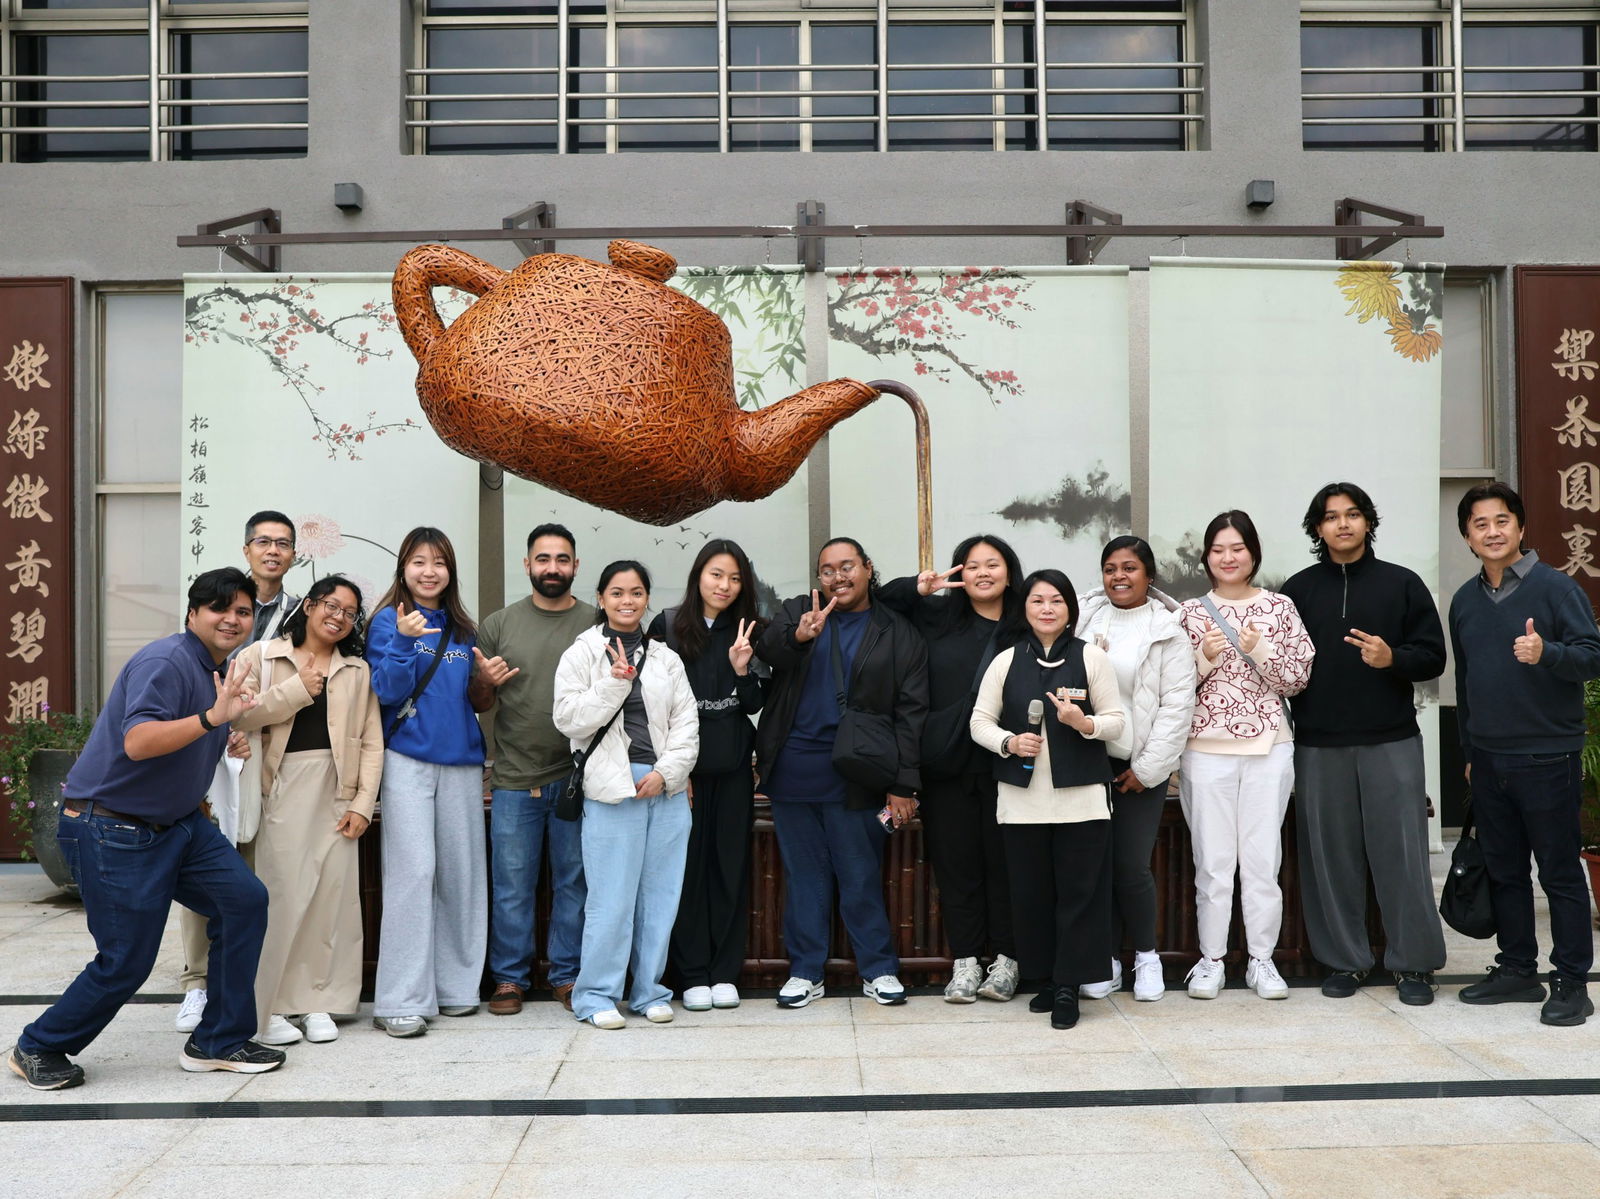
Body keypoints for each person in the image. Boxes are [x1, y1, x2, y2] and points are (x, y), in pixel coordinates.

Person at [8, 568, 284, 1089]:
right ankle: (38, 1046)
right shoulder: (168, 661)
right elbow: (138, 742)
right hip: (113, 828)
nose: (232, 619)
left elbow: (183, 746)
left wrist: (217, 742)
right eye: (219, 608)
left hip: (178, 824)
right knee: (126, 961)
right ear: (192, 614)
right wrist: (211, 720)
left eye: (243, 612)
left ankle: (218, 1041)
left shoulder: (216, 670)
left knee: (243, 899)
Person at [1281, 483, 1447, 1007]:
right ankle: (1345, 961)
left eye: (1353, 515)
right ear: (1317, 529)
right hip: (1317, 744)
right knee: (1330, 858)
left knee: (1402, 855)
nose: (1343, 524)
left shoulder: (1402, 584)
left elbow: (1433, 657)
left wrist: (1391, 657)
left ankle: (1413, 963)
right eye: (1331, 517)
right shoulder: (1297, 591)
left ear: (1369, 522)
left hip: (1390, 740)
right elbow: (1282, 666)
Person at [755, 537, 929, 1010]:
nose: (838, 577)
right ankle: (805, 971)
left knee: (859, 874)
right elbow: (767, 648)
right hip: (794, 769)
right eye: (827, 570)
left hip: (859, 771)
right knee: (804, 875)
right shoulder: (799, 610)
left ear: (869, 569)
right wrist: (799, 636)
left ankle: (878, 969)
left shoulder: (896, 629)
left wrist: (903, 783)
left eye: (847, 566)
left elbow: (912, 712)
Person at [1450, 481, 1600, 1026]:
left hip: (1547, 756)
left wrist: (1548, 652)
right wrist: (1468, 750)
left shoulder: (1557, 590)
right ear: (1467, 536)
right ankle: (1517, 969)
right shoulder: (1465, 600)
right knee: (1505, 870)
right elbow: (1466, 683)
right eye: (1480, 524)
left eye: (1501, 521)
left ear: (1521, 527)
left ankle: (1571, 981)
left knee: (1558, 873)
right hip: (1488, 759)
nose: (1492, 531)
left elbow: (1592, 656)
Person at [969, 568, 1125, 1030]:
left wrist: (1084, 723)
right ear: (1025, 609)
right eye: (1037, 601)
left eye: (1056, 601)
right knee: (1033, 895)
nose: (1047, 609)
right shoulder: (1006, 660)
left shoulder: (1092, 658)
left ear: (1070, 610)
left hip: (1082, 802)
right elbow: (979, 722)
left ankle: (1068, 988)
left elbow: (1118, 721)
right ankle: (1047, 978)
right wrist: (1009, 744)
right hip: (1022, 804)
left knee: (1080, 895)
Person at [233, 576, 383, 1046]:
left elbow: (373, 741)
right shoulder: (263, 655)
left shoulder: (357, 670)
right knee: (282, 897)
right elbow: (237, 715)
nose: (338, 616)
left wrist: (363, 802)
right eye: (330, 605)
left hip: (338, 788)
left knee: (332, 901)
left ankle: (320, 1000)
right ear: (310, 606)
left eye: (349, 611)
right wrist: (297, 688)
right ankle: (271, 1003)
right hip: (282, 786)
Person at [879, 534, 1024, 1004]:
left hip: (1009, 767)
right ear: (958, 573)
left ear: (1009, 571)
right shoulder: (937, 615)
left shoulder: (1024, 623)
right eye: (972, 565)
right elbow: (881, 601)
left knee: (1005, 867)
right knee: (956, 866)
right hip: (946, 767)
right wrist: (919, 588)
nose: (983, 573)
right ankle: (965, 960)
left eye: (993, 564)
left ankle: (1006, 960)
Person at [554, 561, 698, 1029]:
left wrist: (666, 772)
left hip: (665, 787)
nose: (627, 601)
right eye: (617, 593)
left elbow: (686, 725)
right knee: (610, 899)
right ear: (600, 598)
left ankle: (649, 990)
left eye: (636, 593)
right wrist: (615, 681)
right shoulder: (581, 653)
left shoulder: (665, 657)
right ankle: (595, 996)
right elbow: (569, 719)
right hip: (612, 788)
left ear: (646, 599)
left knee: (660, 898)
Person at [1177, 511, 1314, 1001]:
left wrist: (1258, 650)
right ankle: (1210, 960)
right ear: (1206, 557)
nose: (1227, 558)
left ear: (1253, 553)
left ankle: (1262, 961)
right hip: (1204, 751)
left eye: (1236, 548)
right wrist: (1204, 658)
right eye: (1218, 550)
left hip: (1269, 748)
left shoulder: (1280, 607)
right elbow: (1171, 691)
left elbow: (1297, 681)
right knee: (1212, 862)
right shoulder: (1191, 613)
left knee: (1261, 861)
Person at [174, 509, 300, 1034]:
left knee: (248, 870)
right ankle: (197, 983)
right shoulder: (221, 602)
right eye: (263, 542)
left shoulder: (301, 613)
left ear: (294, 555)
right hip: (213, 746)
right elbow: (199, 679)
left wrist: (244, 718)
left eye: (283, 544)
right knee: (205, 854)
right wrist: (222, 722)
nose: (273, 550)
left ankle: (247, 980)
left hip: (270, 756)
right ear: (246, 549)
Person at [365, 527, 488, 1038]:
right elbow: (385, 691)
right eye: (419, 562)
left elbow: (471, 699)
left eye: (439, 562)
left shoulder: (463, 629)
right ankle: (401, 999)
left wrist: (488, 683)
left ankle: (458, 988)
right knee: (413, 875)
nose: (429, 571)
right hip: (407, 761)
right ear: (403, 568)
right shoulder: (385, 622)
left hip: (461, 762)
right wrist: (403, 640)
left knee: (461, 877)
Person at [471, 524, 594, 1016]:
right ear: (527, 565)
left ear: (576, 567)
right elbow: (478, 703)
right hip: (514, 779)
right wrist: (484, 682)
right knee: (512, 884)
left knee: (574, 881)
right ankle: (508, 979)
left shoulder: (595, 621)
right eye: (542, 559)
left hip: (577, 777)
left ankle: (567, 976)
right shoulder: (499, 624)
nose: (552, 568)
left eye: (562, 559)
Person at [1076, 536, 1196, 1003]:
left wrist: (1147, 771)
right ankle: (1104, 958)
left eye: (1129, 568)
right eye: (1110, 568)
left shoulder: (1168, 628)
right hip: (1087, 761)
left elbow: (1176, 709)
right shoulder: (1085, 617)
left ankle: (1146, 957)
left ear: (1149, 575)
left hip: (1139, 767)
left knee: (1130, 866)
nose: (1118, 577)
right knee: (1094, 865)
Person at [649, 540, 766, 1012]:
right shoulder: (668, 627)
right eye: (717, 574)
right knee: (686, 871)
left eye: (735, 578)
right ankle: (692, 973)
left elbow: (756, 703)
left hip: (735, 767)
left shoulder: (749, 629)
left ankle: (724, 972)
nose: (725, 586)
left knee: (729, 867)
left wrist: (742, 670)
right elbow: (654, 705)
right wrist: (673, 769)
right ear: (699, 575)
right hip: (683, 772)